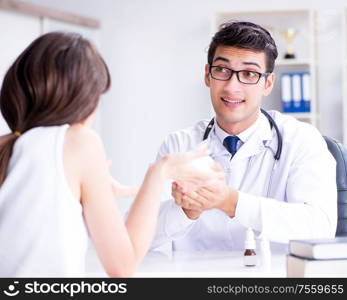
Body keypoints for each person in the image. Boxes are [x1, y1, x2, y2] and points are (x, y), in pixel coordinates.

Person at [0, 32, 223, 277]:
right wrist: (161, 170)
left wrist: (105, 190)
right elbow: (122, 266)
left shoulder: (8, 145)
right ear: (82, 99)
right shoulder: (80, 140)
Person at [150, 21, 337, 252]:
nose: (232, 87)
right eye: (222, 70)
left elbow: (320, 228)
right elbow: (141, 237)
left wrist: (231, 201)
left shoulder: (301, 139)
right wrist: (187, 210)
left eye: (249, 73)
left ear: (267, 83)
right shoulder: (179, 145)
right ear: (208, 75)